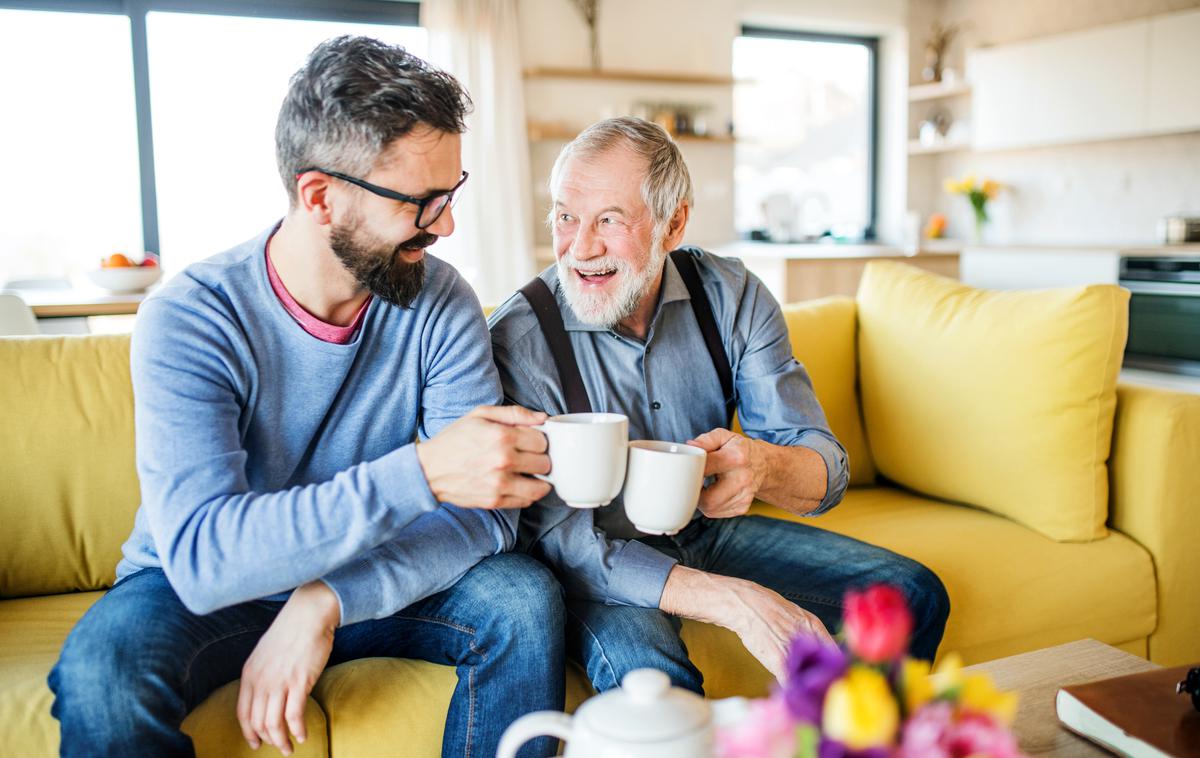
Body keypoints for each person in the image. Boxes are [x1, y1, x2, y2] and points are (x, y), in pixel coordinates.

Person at [49, 36, 562, 758]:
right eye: (422, 202)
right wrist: (422, 472)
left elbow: (487, 515)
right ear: (320, 196)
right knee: (103, 672)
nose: (446, 225)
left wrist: (326, 598)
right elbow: (203, 557)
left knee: (522, 600)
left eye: (452, 193)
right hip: (204, 595)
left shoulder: (439, 299)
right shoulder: (193, 317)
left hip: (371, 576)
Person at [487, 117, 950, 695]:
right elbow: (555, 540)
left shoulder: (731, 295)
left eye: (609, 219)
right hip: (598, 561)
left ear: (673, 222)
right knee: (656, 683)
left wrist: (765, 466)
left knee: (910, 596)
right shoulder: (519, 337)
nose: (580, 248)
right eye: (565, 217)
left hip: (706, 531)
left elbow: (822, 464)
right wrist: (733, 600)